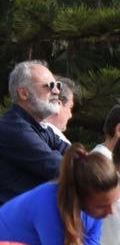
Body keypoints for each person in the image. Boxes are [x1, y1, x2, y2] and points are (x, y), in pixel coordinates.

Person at [0, 60, 70, 205]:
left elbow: (75, 154)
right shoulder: (12, 127)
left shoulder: (41, 128)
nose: (57, 91)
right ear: (24, 93)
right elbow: (57, 166)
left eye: (58, 85)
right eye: (50, 86)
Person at [41, 76, 76, 146]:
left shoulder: (28, 129)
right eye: (70, 108)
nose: (70, 115)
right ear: (58, 105)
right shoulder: (61, 143)